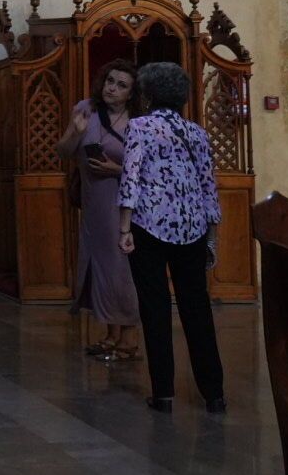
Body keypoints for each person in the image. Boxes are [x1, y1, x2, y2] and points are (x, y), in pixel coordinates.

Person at [117, 61, 225, 414]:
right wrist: (212, 233)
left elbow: (130, 177)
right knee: (197, 309)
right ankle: (214, 394)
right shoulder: (197, 132)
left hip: (149, 227)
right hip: (192, 227)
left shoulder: (140, 127)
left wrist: (124, 228)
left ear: (147, 95)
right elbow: (209, 185)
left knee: (156, 309)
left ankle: (163, 394)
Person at [56, 59, 141, 362]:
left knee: (121, 270)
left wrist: (115, 169)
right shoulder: (86, 109)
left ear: (131, 93)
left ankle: (129, 339)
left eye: (121, 85)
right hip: (94, 205)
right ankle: (110, 334)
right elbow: (63, 151)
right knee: (100, 267)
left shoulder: (139, 121)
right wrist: (76, 133)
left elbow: (146, 171)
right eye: (110, 81)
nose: (112, 88)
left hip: (123, 206)